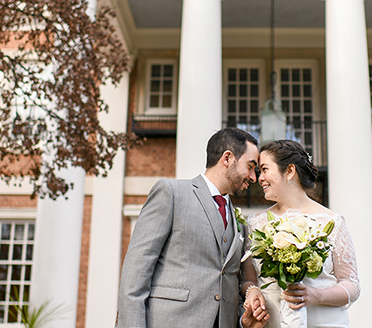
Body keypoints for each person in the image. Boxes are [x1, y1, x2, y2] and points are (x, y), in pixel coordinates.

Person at [115, 128, 269, 328]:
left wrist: (242, 320)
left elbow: (226, 282)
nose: (253, 177)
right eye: (250, 167)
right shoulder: (171, 194)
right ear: (228, 158)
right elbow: (135, 273)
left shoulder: (239, 223)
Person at [241, 140, 360, 328]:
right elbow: (248, 280)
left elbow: (351, 284)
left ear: (289, 171)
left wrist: (316, 295)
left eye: (264, 169)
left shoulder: (331, 222)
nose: (259, 178)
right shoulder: (255, 224)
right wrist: (252, 292)